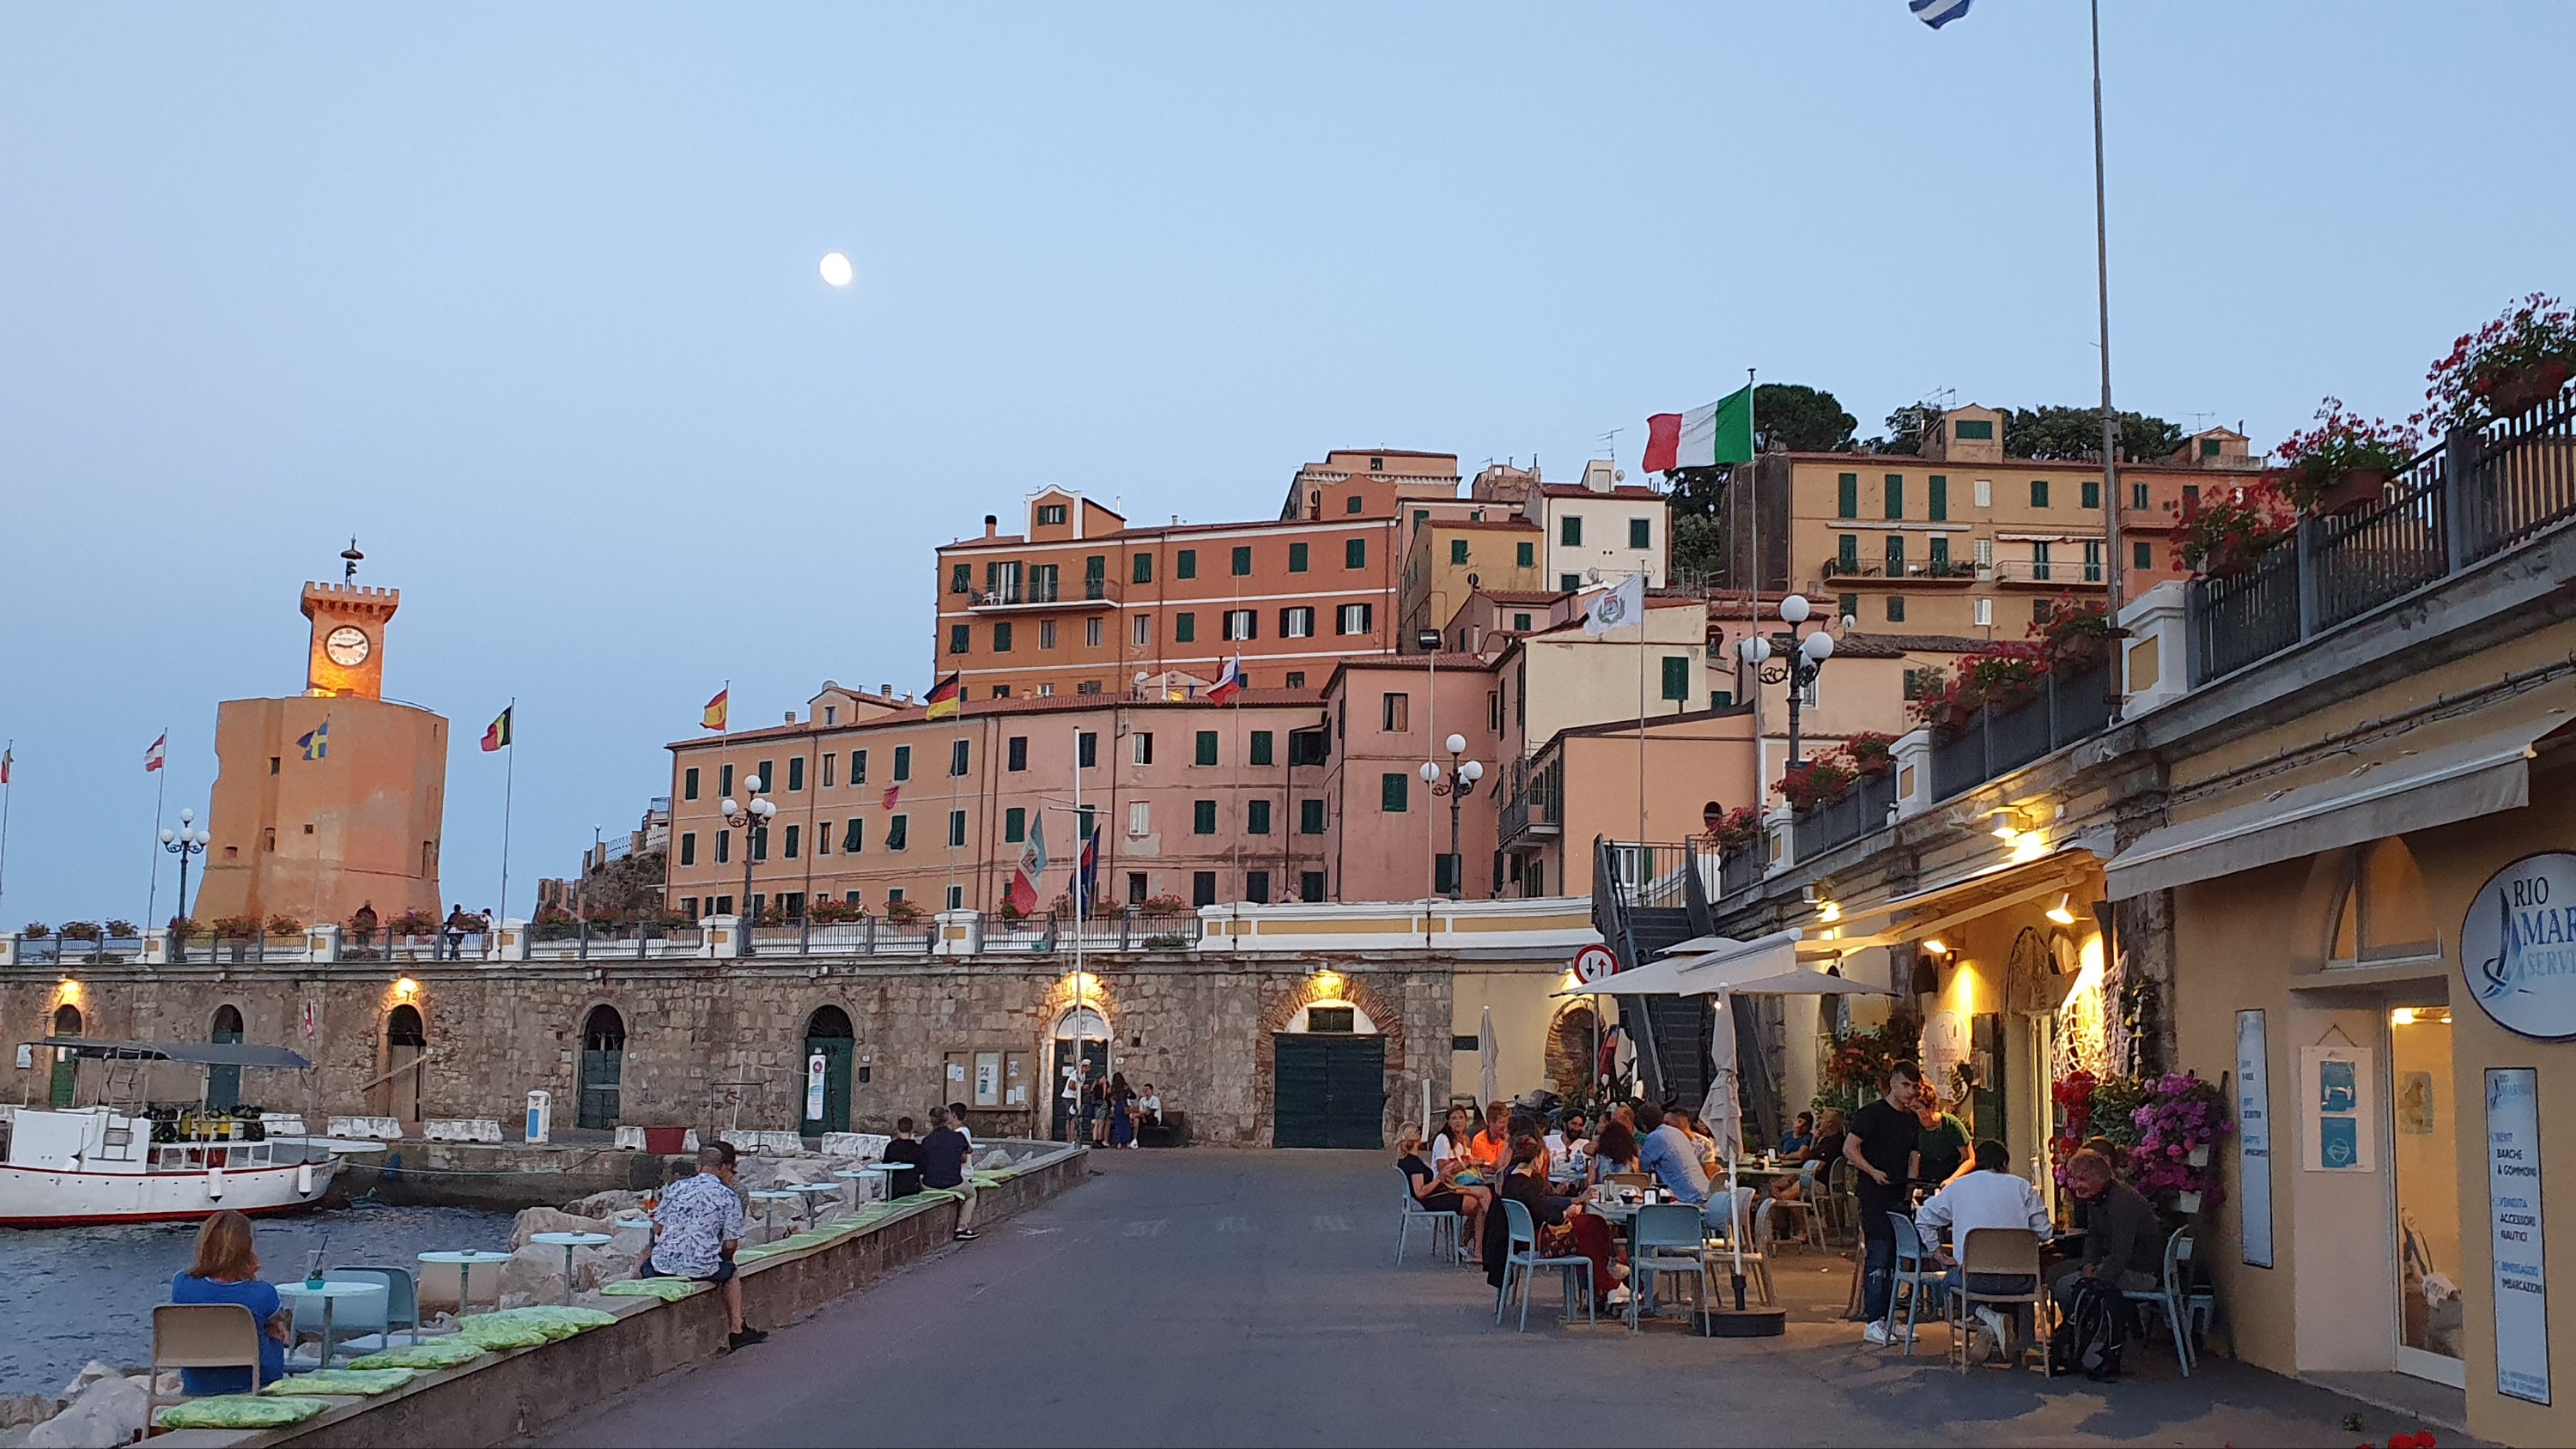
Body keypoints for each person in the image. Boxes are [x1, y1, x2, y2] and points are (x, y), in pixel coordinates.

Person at [1914, 1139, 2052, 1360]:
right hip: (2018, 1282)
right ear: (2004, 1164)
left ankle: (1988, 1319)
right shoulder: (2022, 1187)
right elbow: (2045, 1232)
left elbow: (1923, 1218)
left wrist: (1937, 1252)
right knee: (2030, 1277)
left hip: (1974, 1280)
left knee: (1947, 1282)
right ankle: (2022, 1346)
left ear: (1977, 1162)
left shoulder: (1958, 1187)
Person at [1483, 1134, 1622, 1310]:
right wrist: (1566, 1213)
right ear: (1537, 1158)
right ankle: (1608, 1283)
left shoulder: (1511, 1180)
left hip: (1522, 1238)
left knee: (1588, 1235)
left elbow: (1540, 1205)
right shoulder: (1528, 1183)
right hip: (1540, 1240)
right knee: (1594, 1225)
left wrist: (1571, 1203)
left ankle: (1604, 1286)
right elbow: (1543, 1214)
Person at [649, 1145, 764, 1349]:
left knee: (645, 1257)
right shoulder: (729, 1196)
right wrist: (724, 1258)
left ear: (698, 1166)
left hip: (663, 1266)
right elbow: (730, 1244)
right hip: (702, 1268)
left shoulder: (676, 1188)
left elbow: (658, 1229)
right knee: (731, 1273)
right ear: (721, 1168)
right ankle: (737, 1330)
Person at [1848, 1061, 1927, 1343]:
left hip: (1899, 1196)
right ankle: (1874, 1320)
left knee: (1897, 1257)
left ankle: (1891, 1317)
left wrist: (1911, 1188)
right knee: (1879, 1255)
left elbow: (1914, 1156)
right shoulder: (1872, 1114)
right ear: (1892, 1083)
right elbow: (1849, 1148)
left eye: (1915, 1086)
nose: (1910, 1091)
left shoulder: (1911, 1120)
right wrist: (1872, 1171)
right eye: (1905, 1085)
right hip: (1874, 1195)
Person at [168, 1210, 287, 1392]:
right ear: (247, 1249)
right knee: (274, 1328)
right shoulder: (263, 1292)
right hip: (252, 1381)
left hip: (198, 1384)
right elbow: (276, 1325)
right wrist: (250, 1276)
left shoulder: (181, 1284)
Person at [2050, 1148, 2161, 1317]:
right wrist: (2088, 1264)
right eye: (2074, 1178)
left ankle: (2086, 1326)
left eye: (2082, 1179)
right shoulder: (2096, 1197)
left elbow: (2121, 1253)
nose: (2076, 1185)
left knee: (2066, 1286)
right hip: (2118, 1264)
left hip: (2141, 1272)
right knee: (2054, 1274)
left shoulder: (2122, 1201)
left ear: (2100, 1177)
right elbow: (2093, 1236)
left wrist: (2094, 1278)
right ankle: (2080, 1325)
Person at [1395, 1123, 1485, 1264]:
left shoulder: (1406, 1160)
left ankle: (1465, 1243)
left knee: (1478, 1198)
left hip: (1434, 1195)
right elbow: (1420, 1192)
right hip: (1432, 1200)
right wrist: (1440, 1178)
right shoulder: (1413, 1164)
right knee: (1478, 1203)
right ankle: (1473, 1248)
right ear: (1417, 1139)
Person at [920, 1106, 979, 1241]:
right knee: (972, 1194)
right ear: (947, 1119)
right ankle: (962, 1227)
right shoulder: (958, 1137)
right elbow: (969, 1150)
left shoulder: (926, 1141)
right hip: (953, 1182)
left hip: (930, 1183)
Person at [1914, 1099, 1973, 1191]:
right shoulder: (1914, 1125)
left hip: (1950, 1180)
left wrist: (1952, 1179)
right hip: (1925, 1181)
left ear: (1931, 1108)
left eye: (1918, 1108)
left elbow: (1970, 1159)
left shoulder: (1951, 1124)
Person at [1585, 1118, 1641, 1188]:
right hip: (1626, 1191)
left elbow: (1590, 1181)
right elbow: (1638, 1181)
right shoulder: (1633, 1160)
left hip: (1603, 1192)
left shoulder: (1598, 1158)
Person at [880, 1116, 927, 1198]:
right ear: (911, 1131)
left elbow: (885, 1166)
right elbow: (922, 1168)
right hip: (912, 1188)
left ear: (898, 1130)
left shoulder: (891, 1147)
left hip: (894, 1188)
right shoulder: (918, 1149)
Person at [1469, 1100, 1513, 1171]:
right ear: (1490, 1122)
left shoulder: (1509, 1137)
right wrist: (1506, 1144)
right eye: (1501, 1122)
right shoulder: (1479, 1141)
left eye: (1506, 1122)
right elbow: (1496, 1167)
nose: (1505, 1126)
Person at [1109, 1072, 1136, 1149]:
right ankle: (1127, 1141)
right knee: (1126, 1125)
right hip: (1125, 1107)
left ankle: (1119, 1141)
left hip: (1118, 1107)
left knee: (1118, 1125)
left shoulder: (1114, 1088)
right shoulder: (1126, 1087)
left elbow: (1113, 1097)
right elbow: (1133, 1096)